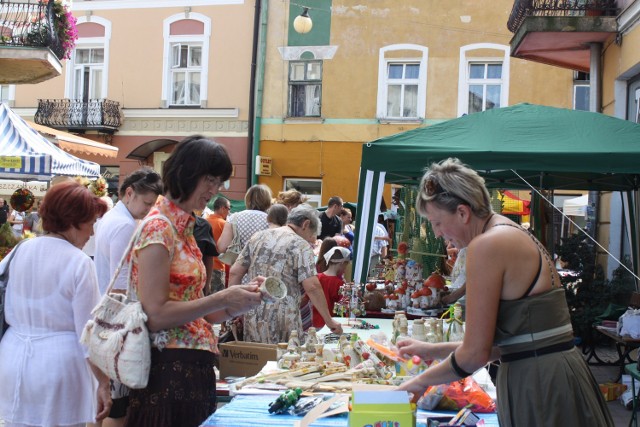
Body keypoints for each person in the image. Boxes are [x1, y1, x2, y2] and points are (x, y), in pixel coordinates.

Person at [396, 158, 613, 427]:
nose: (438, 234)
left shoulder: (487, 245)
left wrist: (419, 382)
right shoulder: (509, 232)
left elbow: (475, 354)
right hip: (553, 376)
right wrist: (432, 349)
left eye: (437, 223)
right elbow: (503, 345)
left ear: (463, 213)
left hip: (540, 384)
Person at [124, 135, 264, 427]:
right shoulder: (159, 228)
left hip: (186, 372)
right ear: (188, 173)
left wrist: (241, 299)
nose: (215, 191)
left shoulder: (182, 228)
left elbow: (201, 310)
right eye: (211, 180)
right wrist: (222, 298)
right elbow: (156, 314)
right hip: (167, 375)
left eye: (218, 182)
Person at [0, 181, 112, 426]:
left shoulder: (20, 250)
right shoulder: (79, 263)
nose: (92, 233)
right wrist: (104, 383)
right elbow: (88, 335)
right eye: (91, 223)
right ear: (74, 221)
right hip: (59, 370)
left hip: (13, 360)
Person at [229, 205, 343, 344]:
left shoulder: (258, 237)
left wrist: (235, 308)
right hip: (284, 320)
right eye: (311, 235)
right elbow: (312, 286)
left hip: (253, 314)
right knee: (284, 362)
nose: (310, 240)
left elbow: (235, 272)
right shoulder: (300, 245)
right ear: (305, 224)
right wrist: (328, 320)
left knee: (256, 361)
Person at [95, 167, 163, 295]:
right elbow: (120, 284)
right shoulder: (125, 225)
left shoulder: (112, 215)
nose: (150, 209)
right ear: (130, 193)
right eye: (147, 203)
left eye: (153, 204)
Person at [217, 183, 272, 277]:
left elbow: (222, 247)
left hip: (238, 274)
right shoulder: (271, 221)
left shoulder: (234, 218)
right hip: (263, 275)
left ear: (247, 199)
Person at [313, 246, 350, 329]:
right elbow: (341, 309)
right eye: (345, 266)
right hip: (329, 323)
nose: (345, 270)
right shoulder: (339, 284)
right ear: (341, 263)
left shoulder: (316, 278)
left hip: (313, 322)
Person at [206, 197, 231, 294]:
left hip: (204, 265)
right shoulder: (224, 224)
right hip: (218, 266)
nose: (229, 212)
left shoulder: (204, 221)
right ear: (222, 208)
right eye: (228, 208)